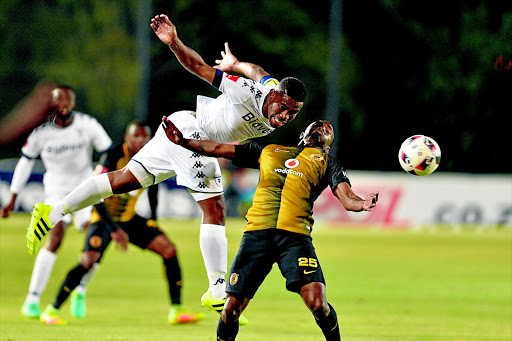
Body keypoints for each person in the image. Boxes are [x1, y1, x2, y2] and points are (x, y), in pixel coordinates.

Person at [26, 14, 307, 325]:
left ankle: (52, 211)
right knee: (214, 208)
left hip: (183, 126)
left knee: (122, 181)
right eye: (284, 107)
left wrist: (235, 61)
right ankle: (217, 288)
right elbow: (199, 68)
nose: (286, 116)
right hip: (191, 134)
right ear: (276, 96)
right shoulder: (247, 93)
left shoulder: (271, 87)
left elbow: (259, 71)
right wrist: (174, 42)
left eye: (293, 113)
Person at [162, 118, 379, 341]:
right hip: (256, 236)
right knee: (230, 311)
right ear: (303, 133)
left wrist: (362, 203)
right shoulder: (269, 150)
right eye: (315, 126)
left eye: (326, 129)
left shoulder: (327, 162)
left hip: (295, 240)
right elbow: (218, 148)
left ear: (328, 144)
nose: (320, 128)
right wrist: (183, 142)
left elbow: (347, 197)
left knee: (318, 304)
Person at [39, 121, 204, 325]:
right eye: (137, 137)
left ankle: (177, 310)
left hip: (129, 219)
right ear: (127, 138)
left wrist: (153, 219)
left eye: (145, 137)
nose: (141, 141)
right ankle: (52, 310)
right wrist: (114, 230)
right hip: (103, 218)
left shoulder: (152, 155)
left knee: (169, 250)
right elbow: (94, 193)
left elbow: (153, 187)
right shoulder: (113, 155)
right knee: (88, 260)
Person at [1, 85, 112, 319]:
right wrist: (12, 197)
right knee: (56, 236)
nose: (63, 104)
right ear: (51, 104)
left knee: (97, 240)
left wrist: (103, 176)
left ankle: (80, 289)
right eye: (58, 99)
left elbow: (108, 150)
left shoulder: (86, 124)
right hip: (56, 192)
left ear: (73, 102)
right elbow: (25, 162)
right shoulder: (40, 133)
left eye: (67, 99)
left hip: (85, 190)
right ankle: (32, 299)